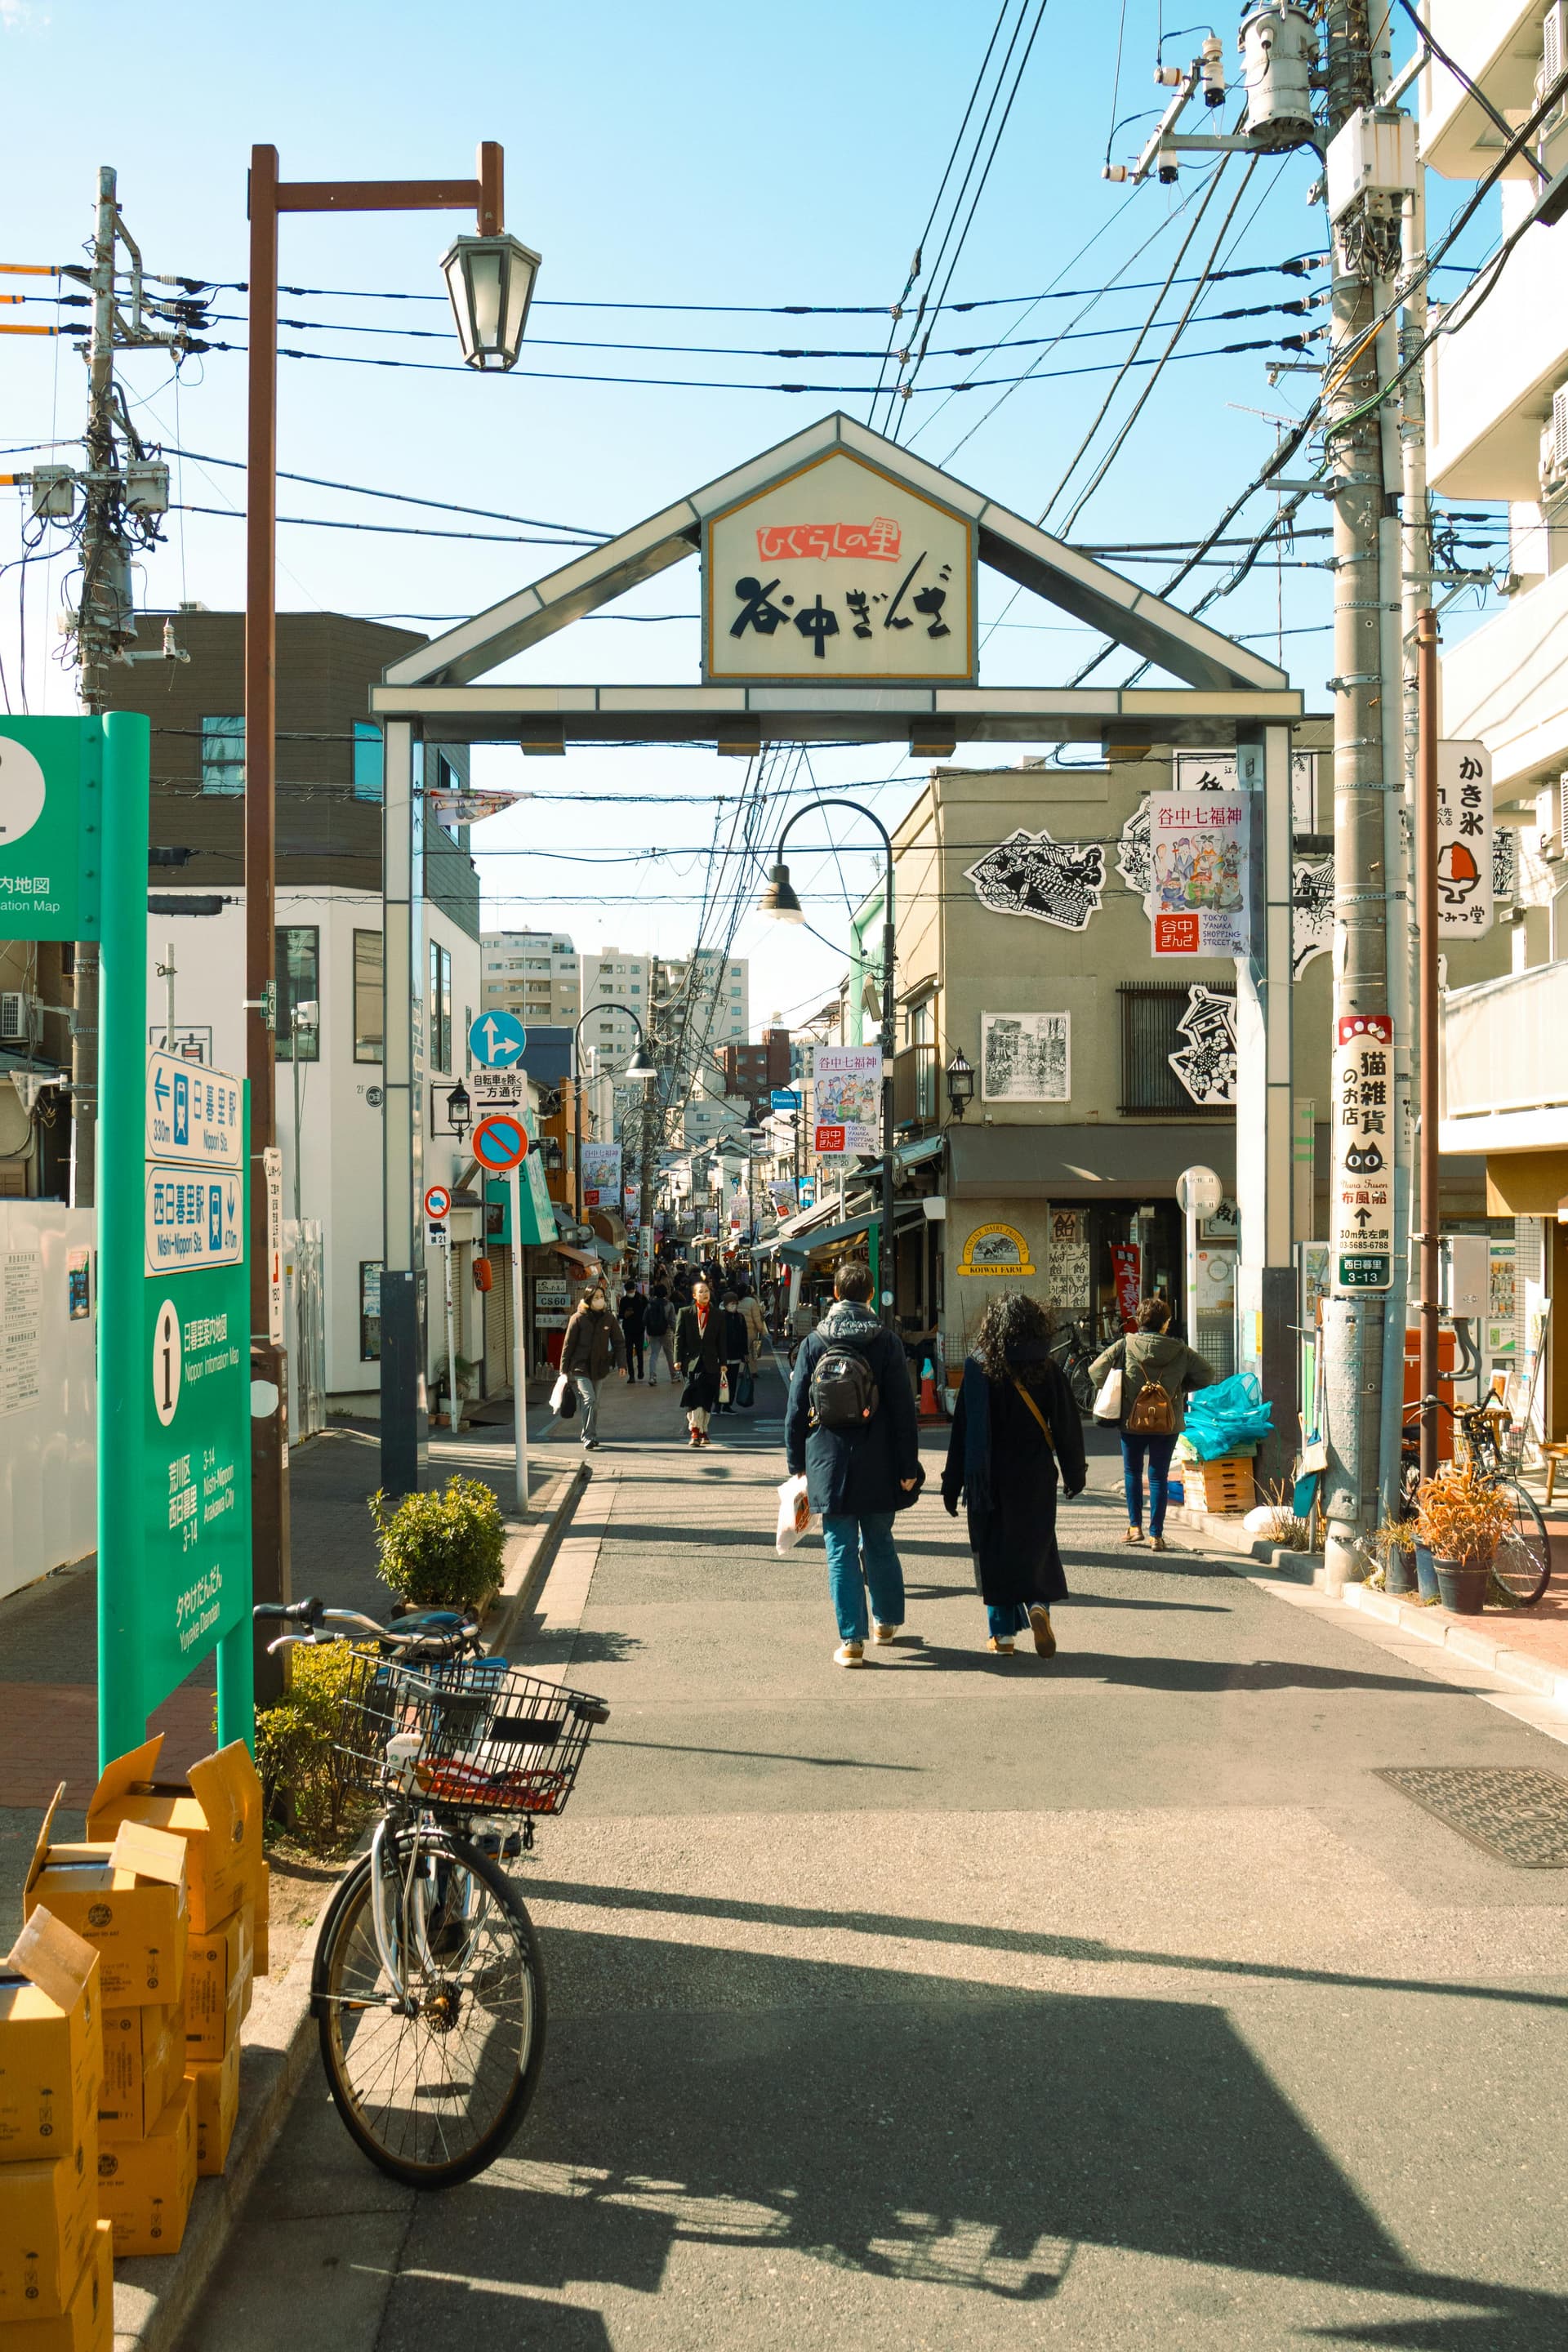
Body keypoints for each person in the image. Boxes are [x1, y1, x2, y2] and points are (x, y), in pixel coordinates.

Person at [785, 1258, 921, 1669]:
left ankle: (851, 1642)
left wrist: (797, 1463)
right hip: (880, 1460)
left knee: (839, 1549)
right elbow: (902, 1410)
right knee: (879, 1542)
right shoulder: (887, 1341)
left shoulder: (815, 1341)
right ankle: (886, 1623)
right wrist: (908, 1466)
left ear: (837, 1295)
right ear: (870, 1295)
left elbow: (795, 1410)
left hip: (828, 1461)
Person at [942, 1293, 1086, 1655]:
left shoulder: (979, 1367)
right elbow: (1068, 1426)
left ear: (994, 1328)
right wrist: (1073, 1474)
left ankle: (1002, 1636)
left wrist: (951, 1483)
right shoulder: (1048, 1367)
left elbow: (963, 1430)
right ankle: (1038, 1605)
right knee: (1036, 1544)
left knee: (994, 1552)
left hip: (987, 1477)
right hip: (1035, 1473)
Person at [1089, 1296, 1215, 1552]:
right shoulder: (1180, 1350)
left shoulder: (1126, 1344)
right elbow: (1207, 1375)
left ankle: (1135, 1527)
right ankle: (1156, 1535)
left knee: (1132, 1472)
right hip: (1167, 1422)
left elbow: (1095, 1371)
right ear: (1165, 1324)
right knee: (1157, 1476)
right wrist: (1179, 1389)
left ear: (1139, 1321)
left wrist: (1121, 1385)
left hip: (1131, 1421)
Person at [559, 1281, 625, 1450]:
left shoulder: (609, 1319)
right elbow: (568, 1345)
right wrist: (563, 1370)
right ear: (588, 1300)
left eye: (601, 1297)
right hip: (580, 1367)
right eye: (596, 1297)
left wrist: (622, 1364)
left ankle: (592, 1434)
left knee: (594, 1403)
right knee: (589, 1399)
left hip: (601, 1368)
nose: (600, 1300)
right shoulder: (578, 1318)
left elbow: (618, 1342)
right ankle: (588, 1436)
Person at [674, 1279, 724, 1446]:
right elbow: (679, 1337)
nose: (705, 1294)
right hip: (692, 1362)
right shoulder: (685, 1312)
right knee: (694, 1396)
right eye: (701, 1291)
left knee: (707, 1398)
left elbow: (721, 1341)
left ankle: (704, 1430)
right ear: (694, 1295)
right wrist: (677, 1359)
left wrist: (723, 1362)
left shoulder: (718, 1314)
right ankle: (695, 1432)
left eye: (707, 1291)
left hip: (711, 1362)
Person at [715, 1289, 748, 1413]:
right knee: (721, 1380)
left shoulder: (740, 1317)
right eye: (731, 1304)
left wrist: (745, 1353)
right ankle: (718, 1404)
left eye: (735, 1304)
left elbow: (743, 1336)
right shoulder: (719, 1317)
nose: (733, 1307)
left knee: (732, 1381)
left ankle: (728, 1405)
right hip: (722, 1355)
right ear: (725, 1305)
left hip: (735, 1355)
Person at [643, 1282, 675, 1385]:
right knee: (670, 1354)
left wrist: (648, 1329)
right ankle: (674, 1375)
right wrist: (676, 1331)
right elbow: (672, 1320)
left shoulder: (650, 1304)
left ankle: (652, 1377)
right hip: (666, 1332)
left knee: (654, 1354)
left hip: (653, 1332)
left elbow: (644, 1319)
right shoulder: (669, 1305)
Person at [737, 1281, 768, 1374]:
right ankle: (752, 1371)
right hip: (750, 1331)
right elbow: (757, 1318)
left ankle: (741, 1370)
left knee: (740, 1351)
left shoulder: (735, 1301)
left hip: (738, 1331)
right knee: (752, 1352)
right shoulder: (752, 1302)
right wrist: (761, 1329)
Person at [618, 1281, 646, 1383]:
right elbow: (620, 1314)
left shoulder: (642, 1298)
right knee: (628, 1353)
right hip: (628, 1330)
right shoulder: (624, 1300)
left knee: (639, 1352)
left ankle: (640, 1371)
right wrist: (625, 1314)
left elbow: (646, 1312)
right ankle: (631, 1375)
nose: (631, 1292)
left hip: (639, 1329)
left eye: (632, 1290)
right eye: (629, 1291)